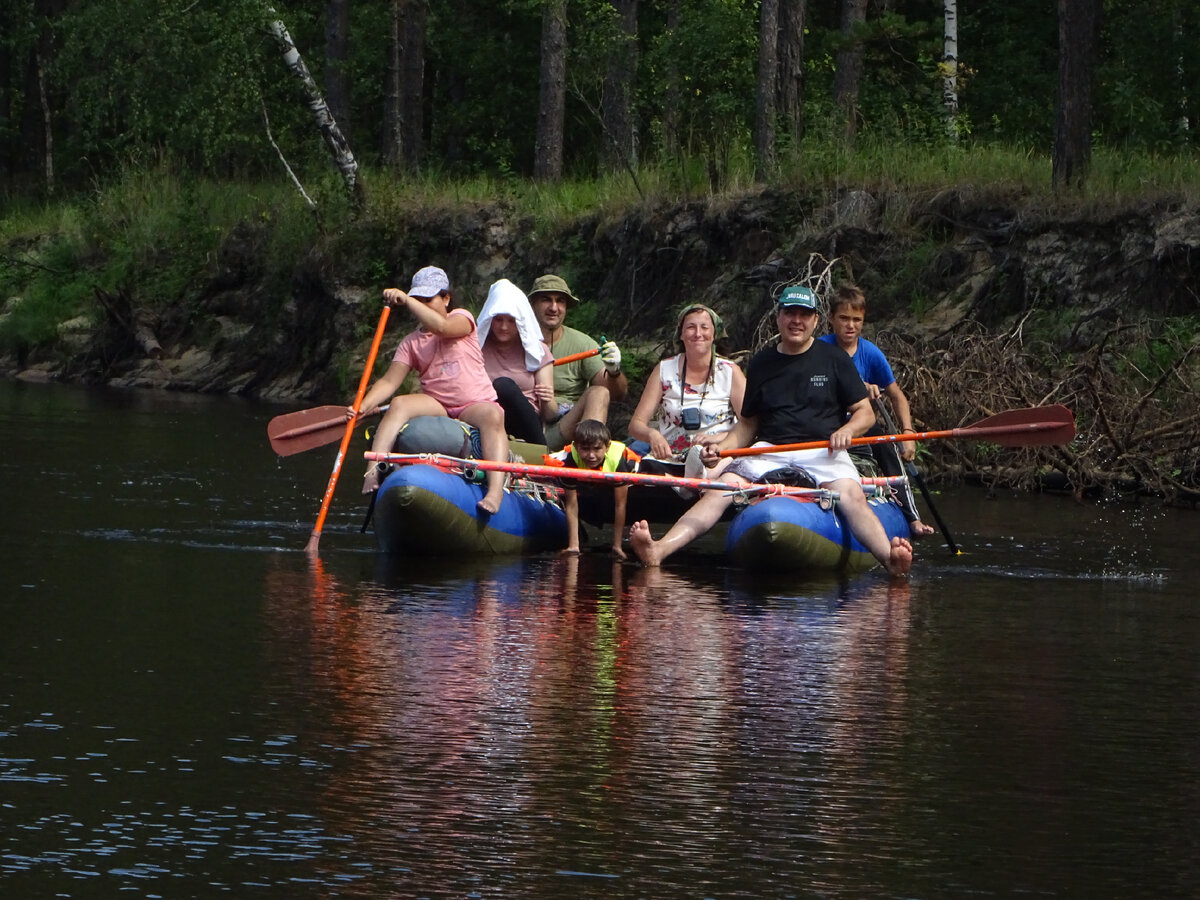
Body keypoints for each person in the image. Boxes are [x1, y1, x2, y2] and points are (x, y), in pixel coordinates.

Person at [629, 285, 913, 577]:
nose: (796, 321)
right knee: (718, 492)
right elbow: (749, 423)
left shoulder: (833, 358)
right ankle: (659, 550)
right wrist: (723, 448)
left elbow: (864, 413)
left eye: (804, 315)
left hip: (822, 450)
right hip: (768, 449)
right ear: (779, 318)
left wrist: (847, 430)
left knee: (851, 496)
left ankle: (890, 560)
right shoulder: (762, 362)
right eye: (790, 313)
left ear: (816, 321)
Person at [353, 265, 508, 515]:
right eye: (419, 300)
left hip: (474, 403)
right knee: (400, 403)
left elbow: (442, 328)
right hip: (438, 404)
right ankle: (373, 469)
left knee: (494, 416)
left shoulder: (462, 318)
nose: (423, 305)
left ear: (446, 298)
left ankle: (495, 491)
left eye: (429, 299)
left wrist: (407, 300)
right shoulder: (411, 342)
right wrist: (362, 405)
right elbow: (389, 383)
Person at [818, 283, 935, 537]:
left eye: (857, 320)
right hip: (827, 424)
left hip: (862, 426)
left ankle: (912, 518)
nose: (850, 326)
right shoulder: (819, 349)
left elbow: (897, 396)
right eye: (844, 318)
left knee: (887, 445)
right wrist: (860, 387)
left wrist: (907, 433)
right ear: (831, 319)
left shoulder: (870, 354)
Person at [626, 303, 746, 461]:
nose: (698, 333)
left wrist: (721, 438)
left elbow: (749, 424)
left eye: (704, 327)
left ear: (714, 333)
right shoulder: (664, 369)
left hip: (716, 457)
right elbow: (636, 424)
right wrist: (652, 435)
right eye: (691, 327)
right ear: (681, 334)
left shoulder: (731, 372)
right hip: (670, 457)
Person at [527, 274, 628, 451]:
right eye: (546, 300)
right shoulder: (516, 342)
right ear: (532, 304)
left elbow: (617, 394)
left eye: (560, 301)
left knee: (599, 392)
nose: (553, 307)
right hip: (525, 429)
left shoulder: (583, 344)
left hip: (567, 428)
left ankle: (590, 459)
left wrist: (614, 371)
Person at [544, 418, 639, 558]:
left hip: (613, 478)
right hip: (585, 482)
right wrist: (573, 546)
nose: (591, 455)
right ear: (576, 447)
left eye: (597, 449)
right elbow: (571, 505)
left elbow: (620, 505)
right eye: (585, 449)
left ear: (607, 447)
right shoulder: (569, 462)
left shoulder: (618, 463)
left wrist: (617, 546)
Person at [477, 278, 557, 444]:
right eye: (498, 320)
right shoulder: (477, 347)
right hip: (486, 417)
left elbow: (550, 414)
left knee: (504, 385)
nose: (504, 327)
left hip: (525, 422)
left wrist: (548, 399)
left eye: (511, 321)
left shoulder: (537, 350)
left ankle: (540, 450)